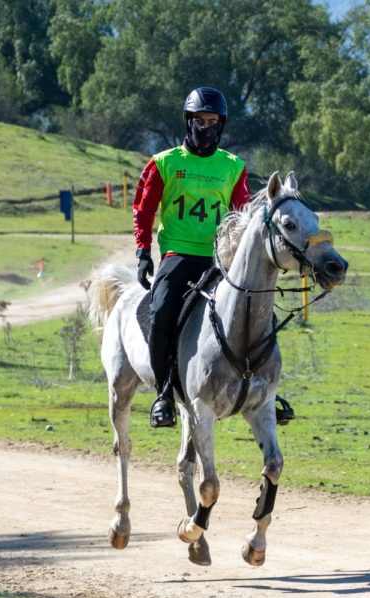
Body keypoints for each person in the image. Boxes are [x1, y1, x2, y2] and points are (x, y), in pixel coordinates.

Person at [132, 86, 250, 428]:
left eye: (213, 121)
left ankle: (263, 387)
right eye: (200, 120)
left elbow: (242, 215)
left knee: (255, 308)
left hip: (219, 259)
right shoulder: (164, 162)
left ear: (221, 125)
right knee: (162, 309)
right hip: (178, 255)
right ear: (189, 121)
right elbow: (144, 209)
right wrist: (143, 251)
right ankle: (165, 393)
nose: (206, 127)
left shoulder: (233, 167)